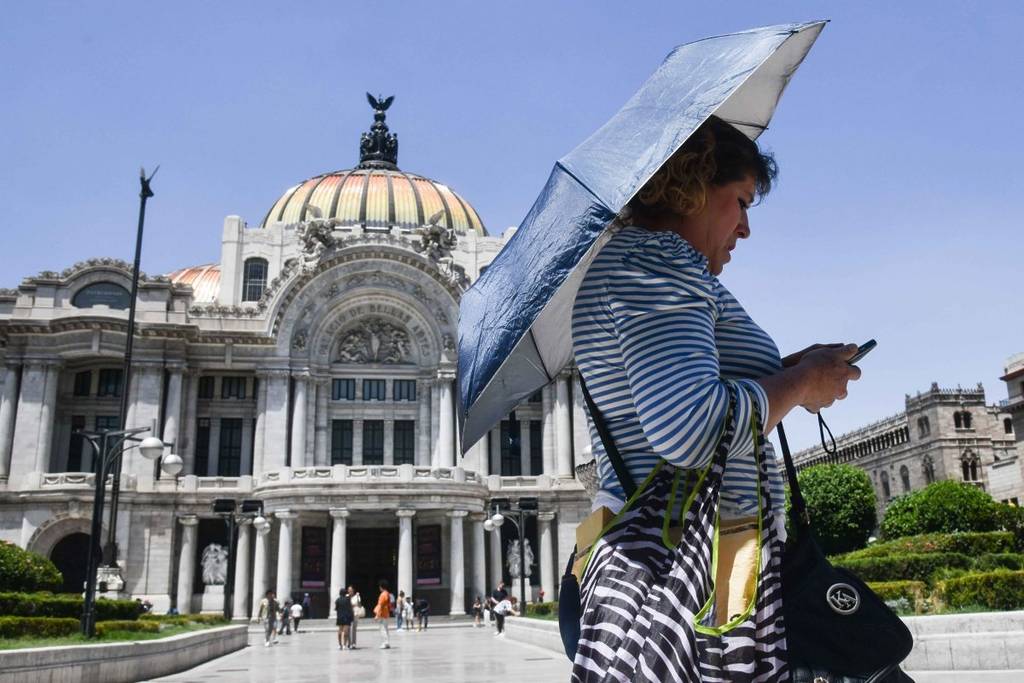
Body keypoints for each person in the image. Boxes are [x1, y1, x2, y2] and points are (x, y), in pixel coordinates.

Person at [571, 115, 860, 672]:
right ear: (693, 184)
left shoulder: (634, 262)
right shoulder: (657, 261)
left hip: (672, 554)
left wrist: (791, 371)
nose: (746, 228)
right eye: (743, 201)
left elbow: (682, 397)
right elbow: (692, 431)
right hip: (700, 577)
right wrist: (799, 384)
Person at [374, 580, 392, 649]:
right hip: (386, 612)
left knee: (382, 629)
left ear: (381, 587)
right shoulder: (387, 593)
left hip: (382, 613)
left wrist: (377, 615)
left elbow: (380, 605)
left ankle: (385, 643)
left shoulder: (382, 595)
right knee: (386, 628)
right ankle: (387, 642)